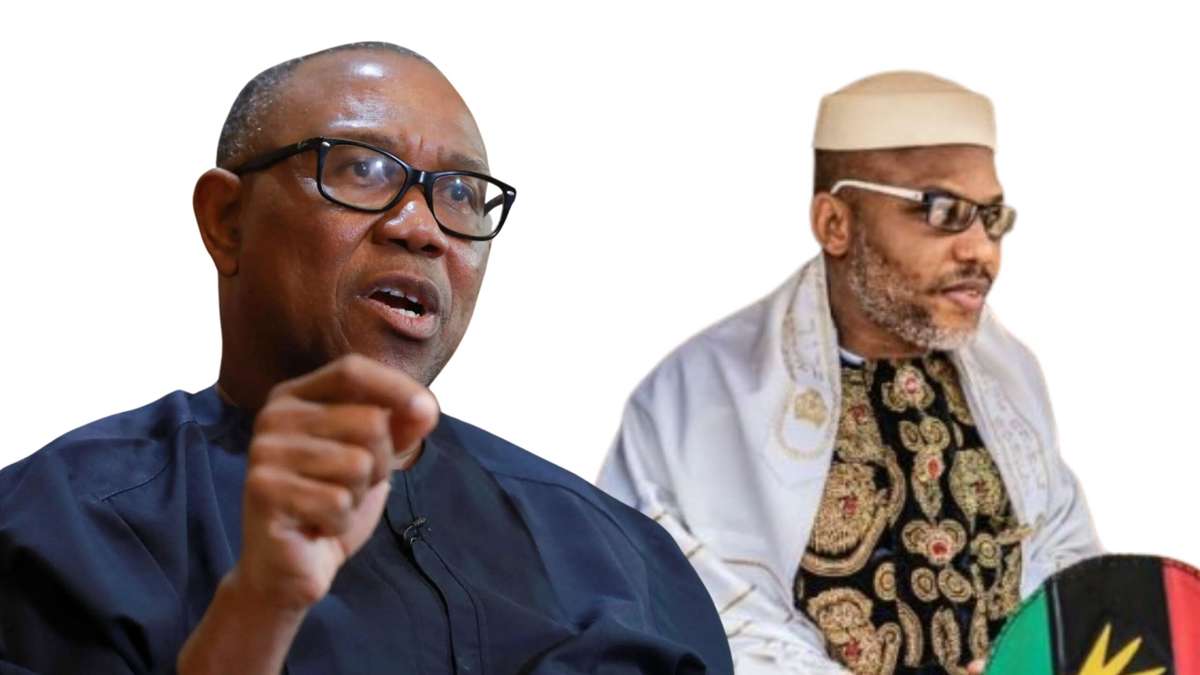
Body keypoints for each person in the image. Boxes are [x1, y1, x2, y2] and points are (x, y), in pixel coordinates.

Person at [0, 42, 731, 675]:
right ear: (226, 221)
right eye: (363, 169)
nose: (422, 228)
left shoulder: (625, 557)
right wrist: (259, 610)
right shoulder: (61, 528)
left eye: (461, 193)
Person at [599, 71, 1102, 674]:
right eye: (943, 211)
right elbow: (682, 613)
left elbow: (1070, 572)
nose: (982, 250)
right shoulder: (698, 399)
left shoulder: (1009, 377)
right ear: (834, 223)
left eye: (992, 217)